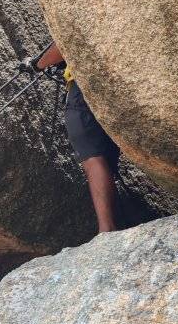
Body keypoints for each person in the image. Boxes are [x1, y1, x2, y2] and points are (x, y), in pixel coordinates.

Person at [33, 41, 120, 233]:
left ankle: (106, 229)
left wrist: (38, 64)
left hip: (85, 81)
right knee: (104, 151)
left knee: (91, 154)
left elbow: (67, 41)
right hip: (117, 73)